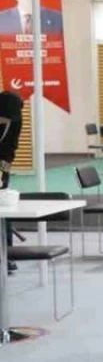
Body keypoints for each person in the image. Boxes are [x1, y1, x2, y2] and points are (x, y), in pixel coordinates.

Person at [0, 91, 22, 273]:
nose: (5, 121)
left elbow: (11, 145)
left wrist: (4, 171)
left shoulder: (15, 118)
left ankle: (6, 255)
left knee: (3, 209)